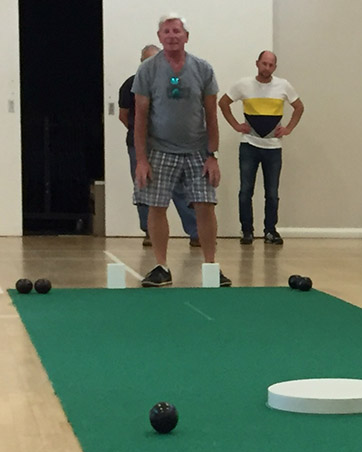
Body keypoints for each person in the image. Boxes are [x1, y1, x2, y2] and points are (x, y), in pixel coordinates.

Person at [132, 13, 229, 287]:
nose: (172, 36)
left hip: (198, 150)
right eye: (166, 32)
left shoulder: (203, 69)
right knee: (157, 205)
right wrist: (141, 159)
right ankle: (161, 267)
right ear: (160, 37)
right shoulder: (148, 70)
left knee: (205, 205)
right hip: (160, 149)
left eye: (177, 31)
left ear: (186, 36)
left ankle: (211, 266)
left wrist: (213, 155)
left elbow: (211, 113)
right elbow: (140, 115)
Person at [219, 51, 304, 246]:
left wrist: (288, 128)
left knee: (272, 192)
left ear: (275, 67)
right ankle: (247, 231)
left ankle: (270, 230)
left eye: (270, 65)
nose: (266, 68)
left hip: (273, 147)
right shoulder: (244, 84)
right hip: (249, 144)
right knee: (245, 190)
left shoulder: (283, 86)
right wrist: (235, 125)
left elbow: (299, 107)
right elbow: (223, 102)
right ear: (257, 63)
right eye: (264, 64)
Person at [118, 44, 200, 248]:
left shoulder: (172, 84)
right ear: (141, 61)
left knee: (179, 187)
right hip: (139, 146)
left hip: (168, 144)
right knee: (143, 186)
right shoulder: (129, 84)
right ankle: (149, 232)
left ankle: (196, 232)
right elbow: (124, 115)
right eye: (147, 60)